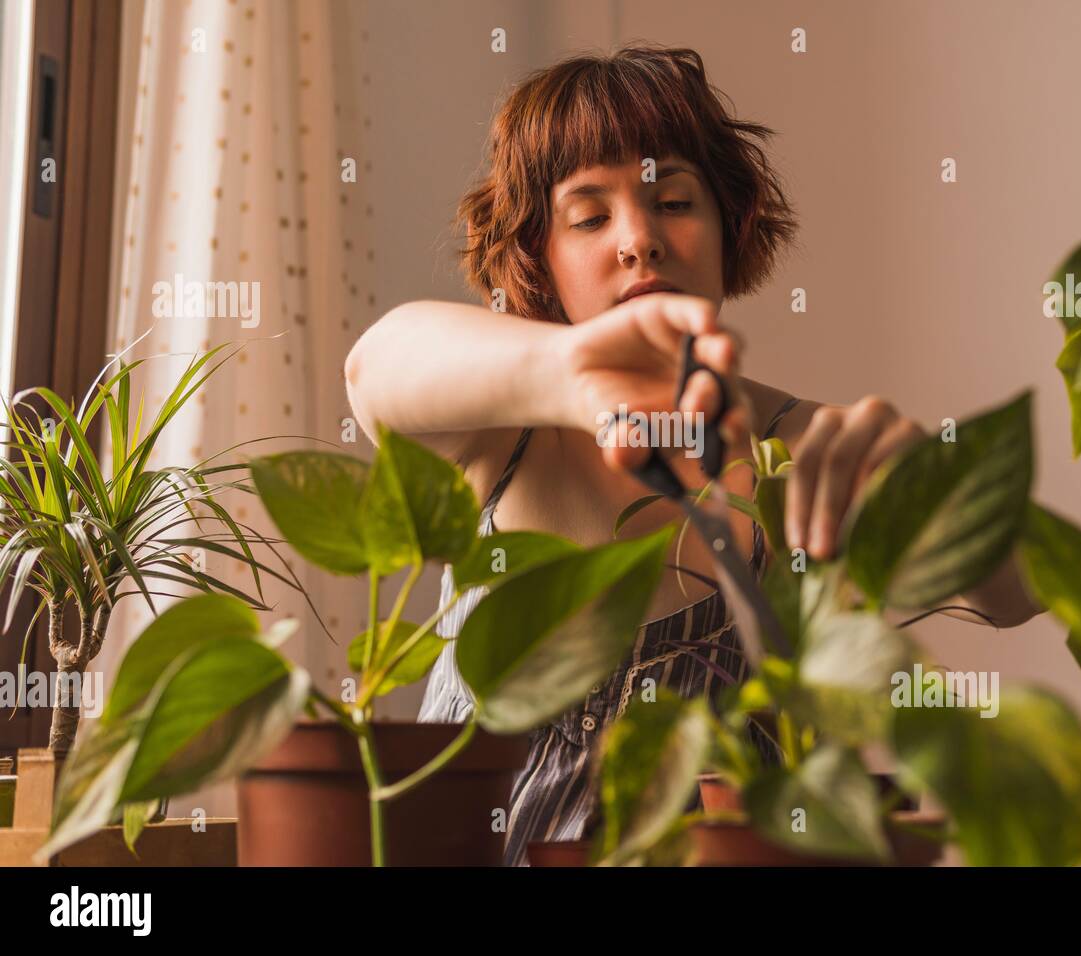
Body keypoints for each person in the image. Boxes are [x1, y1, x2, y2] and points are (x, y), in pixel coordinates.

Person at [344, 43, 1040, 866]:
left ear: (728, 224)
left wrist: (939, 482)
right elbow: (375, 369)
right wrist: (577, 377)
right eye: (590, 216)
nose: (640, 240)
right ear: (539, 255)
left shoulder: (801, 451)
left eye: (672, 199)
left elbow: (1019, 591)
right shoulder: (503, 432)